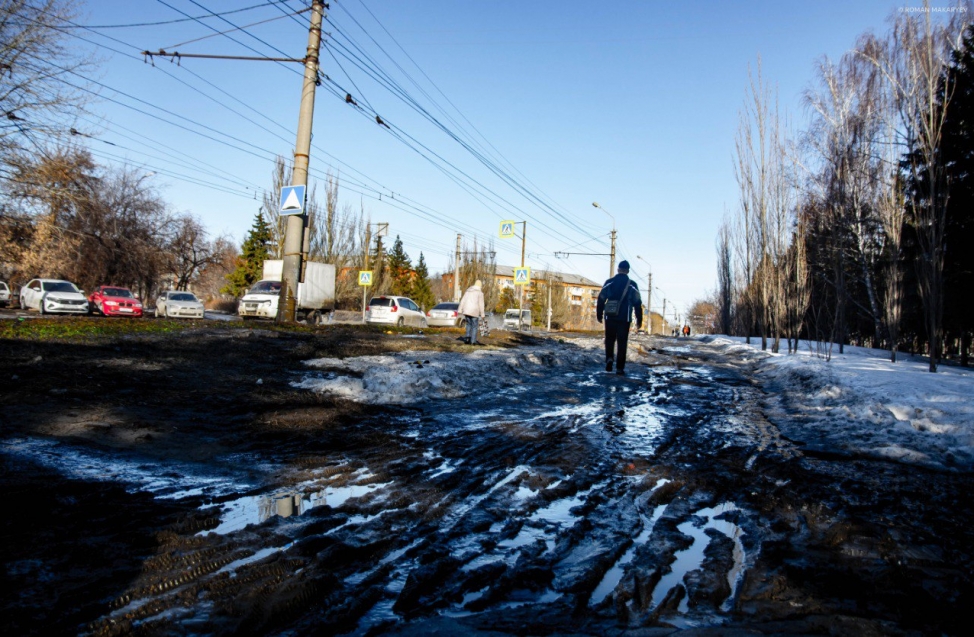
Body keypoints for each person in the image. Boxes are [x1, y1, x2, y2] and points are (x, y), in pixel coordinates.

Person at [596, 260, 643, 375]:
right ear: (627, 271)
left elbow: (601, 298)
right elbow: (637, 303)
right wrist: (639, 320)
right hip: (624, 318)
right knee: (622, 342)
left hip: (610, 316)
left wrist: (599, 314)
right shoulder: (632, 285)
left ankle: (609, 359)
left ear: (618, 269)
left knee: (609, 339)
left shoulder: (609, 282)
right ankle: (620, 368)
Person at [457, 280, 486, 344]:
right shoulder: (480, 293)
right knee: (474, 326)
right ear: (480, 286)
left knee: (468, 325)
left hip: (466, 311)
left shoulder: (468, 291)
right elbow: (481, 304)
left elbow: (463, 300)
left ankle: (467, 339)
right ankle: (473, 341)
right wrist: (482, 314)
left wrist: (460, 310)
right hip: (474, 311)